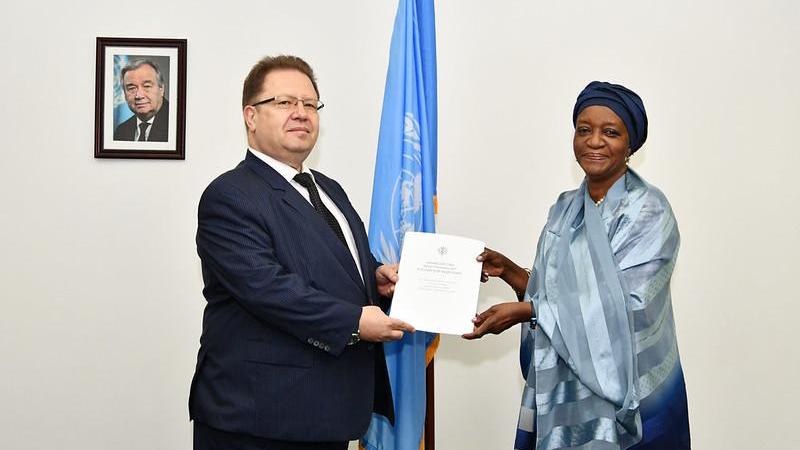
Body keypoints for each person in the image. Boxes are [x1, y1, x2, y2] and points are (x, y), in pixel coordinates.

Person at [189, 55, 414, 450]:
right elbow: (269, 289)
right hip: (259, 417)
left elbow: (326, 262)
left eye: (310, 104)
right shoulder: (229, 196)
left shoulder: (329, 189)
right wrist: (357, 321)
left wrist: (373, 276)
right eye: (284, 102)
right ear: (251, 116)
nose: (301, 113)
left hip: (328, 410)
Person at [464, 81, 690, 450]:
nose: (594, 141)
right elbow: (548, 292)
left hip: (638, 405)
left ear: (630, 144)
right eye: (584, 130)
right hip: (562, 403)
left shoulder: (649, 211)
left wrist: (530, 311)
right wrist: (511, 272)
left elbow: (630, 308)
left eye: (611, 132)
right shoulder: (563, 210)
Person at [113, 59, 169, 142]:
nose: (139, 95)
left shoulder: (176, 124)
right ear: (124, 94)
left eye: (146, 86)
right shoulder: (121, 131)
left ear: (161, 89)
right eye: (132, 88)